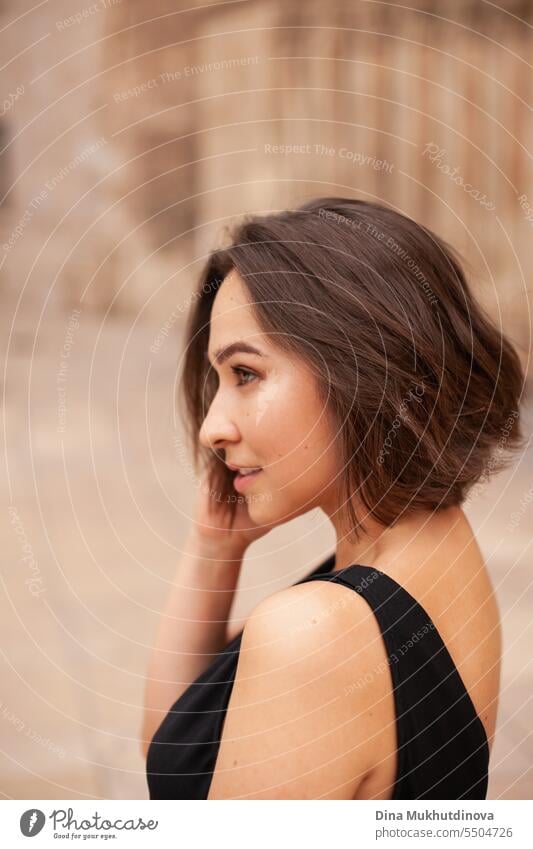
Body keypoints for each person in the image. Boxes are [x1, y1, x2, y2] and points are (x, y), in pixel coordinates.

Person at [142, 196, 524, 799]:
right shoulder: (437, 547)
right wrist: (215, 548)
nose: (212, 427)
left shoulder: (315, 635)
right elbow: (179, 746)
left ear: (362, 368)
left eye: (245, 373)